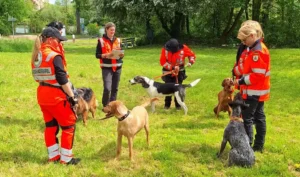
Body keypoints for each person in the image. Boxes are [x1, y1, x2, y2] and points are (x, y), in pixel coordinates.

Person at [31, 27, 80, 165]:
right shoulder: (54, 56)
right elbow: (62, 79)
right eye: (59, 40)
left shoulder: (36, 55)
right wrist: (72, 97)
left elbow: (37, 77)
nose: (60, 43)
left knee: (50, 127)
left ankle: (53, 157)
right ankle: (66, 159)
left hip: (42, 96)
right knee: (68, 127)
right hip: (57, 97)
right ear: (51, 39)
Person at [232, 20, 270, 152]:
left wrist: (240, 81)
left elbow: (256, 75)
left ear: (252, 36)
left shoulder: (258, 52)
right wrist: (236, 71)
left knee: (248, 118)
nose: (243, 43)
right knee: (259, 117)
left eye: (244, 40)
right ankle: (258, 146)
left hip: (253, 91)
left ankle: (247, 147)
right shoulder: (253, 49)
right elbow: (246, 66)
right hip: (257, 91)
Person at [159, 38, 196, 110]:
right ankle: (167, 105)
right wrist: (172, 68)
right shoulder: (165, 50)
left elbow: (192, 55)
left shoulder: (184, 48)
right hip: (168, 71)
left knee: (178, 88)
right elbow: (162, 61)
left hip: (180, 71)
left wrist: (190, 62)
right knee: (167, 88)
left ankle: (178, 106)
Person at [95, 22, 124, 107]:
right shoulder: (101, 41)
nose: (113, 32)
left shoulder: (118, 40)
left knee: (115, 88)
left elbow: (121, 53)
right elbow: (97, 55)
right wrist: (106, 55)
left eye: (114, 30)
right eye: (111, 30)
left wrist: (121, 55)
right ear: (106, 30)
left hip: (118, 67)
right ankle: (105, 105)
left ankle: (113, 105)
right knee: (107, 88)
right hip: (106, 68)